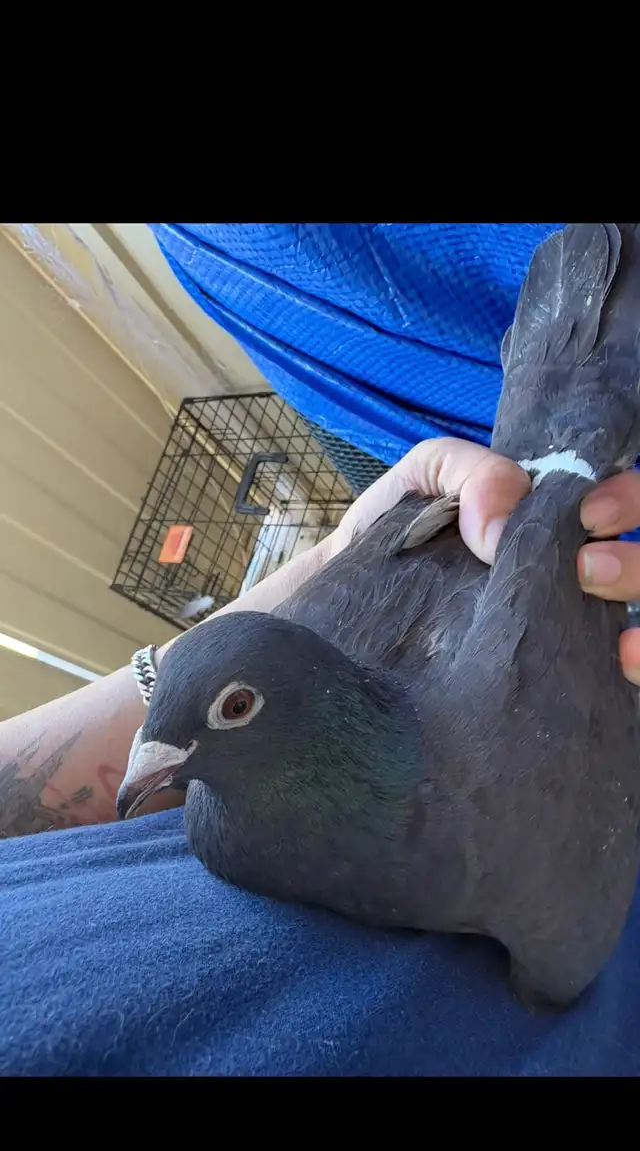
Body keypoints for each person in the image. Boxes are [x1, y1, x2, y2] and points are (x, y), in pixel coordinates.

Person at [2, 436, 640, 1076]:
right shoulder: (224, 792)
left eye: (235, 708)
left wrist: (344, 547)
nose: (152, 765)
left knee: (561, 967)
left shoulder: (487, 830)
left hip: (520, 580)